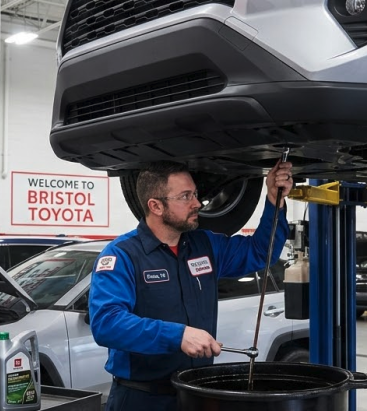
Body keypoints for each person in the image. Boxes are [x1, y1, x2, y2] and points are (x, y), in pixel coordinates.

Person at [89, 160, 293, 410]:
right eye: (186, 196)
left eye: (195, 194)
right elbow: (107, 324)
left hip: (196, 395)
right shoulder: (122, 255)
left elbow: (261, 252)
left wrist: (274, 200)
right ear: (156, 206)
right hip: (142, 399)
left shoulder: (204, 245)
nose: (197, 203)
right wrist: (178, 335)